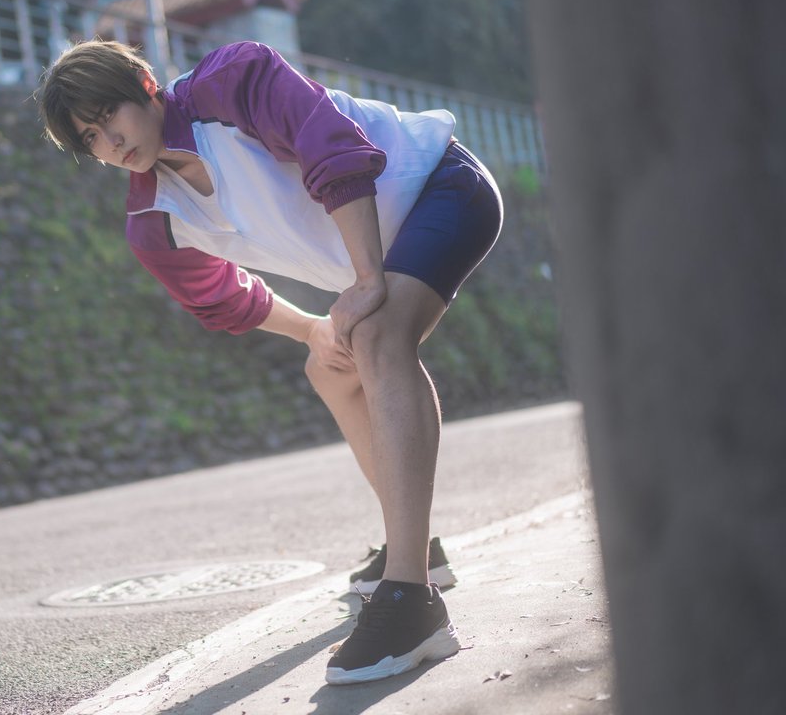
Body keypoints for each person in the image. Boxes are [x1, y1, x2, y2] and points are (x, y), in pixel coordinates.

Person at [36, 40, 502, 685]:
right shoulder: (153, 221)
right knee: (330, 367)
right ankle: (417, 550)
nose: (110, 142)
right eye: (90, 138)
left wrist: (367, 280)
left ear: (144, 84)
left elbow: (333, 150)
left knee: (376, 339)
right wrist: (313, 329)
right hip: (381, 256)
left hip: (441, 186)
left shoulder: (232, 81)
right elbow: (223, 297)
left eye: (108, 114)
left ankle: (410, 596)